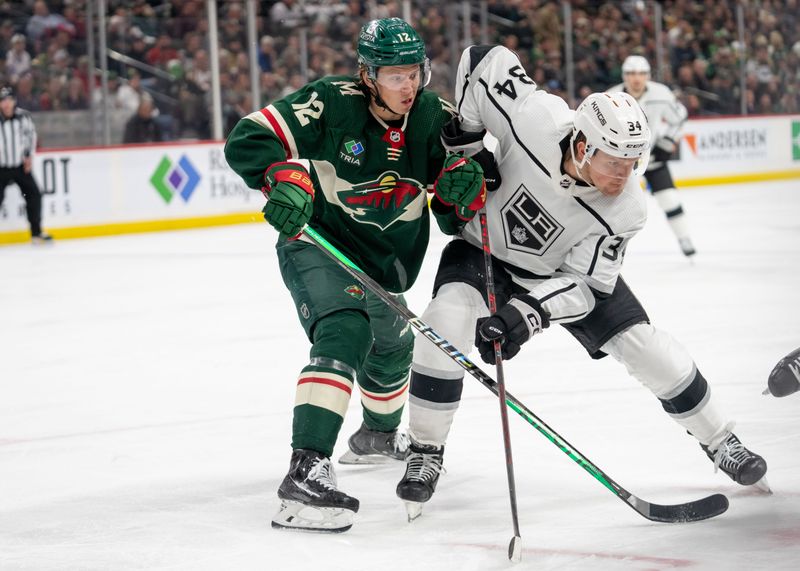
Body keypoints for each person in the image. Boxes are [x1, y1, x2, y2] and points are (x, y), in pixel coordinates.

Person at [395, 45, 768, 519]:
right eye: (613, 161)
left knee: (648, 347)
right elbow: (483, 59)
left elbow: (585, 287)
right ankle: (426, 452)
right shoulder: (536, 117)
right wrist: (467, 144)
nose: (623, 175)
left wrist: (525, 315)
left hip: (560, 274)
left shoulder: (627, 207)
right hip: (483, 252)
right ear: (582, 144)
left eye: (632, 163)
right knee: (442, 322)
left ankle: (722, 441)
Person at [224, 18, 477, 533]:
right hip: (320, 242)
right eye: (395, 75)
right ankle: (305, 473)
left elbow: (452, 217)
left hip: (387, 264)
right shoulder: (331, 102)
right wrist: (281, 175)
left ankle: (378, 436)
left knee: (392, 352)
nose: (409, 86)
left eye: (416, 73)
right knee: (346, 329)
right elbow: (249, 138)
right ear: (367, 74)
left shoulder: (433, 116)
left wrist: (459, 192)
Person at [607, 55, 695, 257]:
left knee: (669, 199)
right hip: (621, 163)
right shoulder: (611, 97)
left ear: (647, 76)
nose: (636, 78)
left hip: (652, 158)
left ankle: (684, 238)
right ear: (624, 76)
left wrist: (668, 141)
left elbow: (679, 117)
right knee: (611, 208)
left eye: (641, 73)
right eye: (631, 74)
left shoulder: (661, 94)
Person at [0, 87, 52, 244]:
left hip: (20, 166)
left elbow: (30, 136)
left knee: (34, 195)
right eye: (3, 101)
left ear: (14, 101)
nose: (6, 104)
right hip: (1, 167)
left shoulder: (24, 117)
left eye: (9, 100)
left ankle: (36, 232)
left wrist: (29, 156)